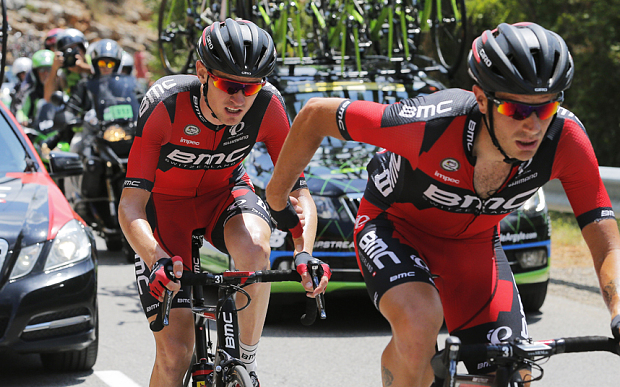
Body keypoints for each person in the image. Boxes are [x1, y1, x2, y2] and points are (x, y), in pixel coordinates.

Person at [265, 21, 620, 387]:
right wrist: (277, 198)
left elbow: (604, 238)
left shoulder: (566, 140)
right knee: (420, 324)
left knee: (513, 370)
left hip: (473, 247)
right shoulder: (431, 124)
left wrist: (617, 311)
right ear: (482, 99)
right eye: (515, 111)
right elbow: (315, 115)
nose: (531, 127)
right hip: (393, 227)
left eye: (544, 110)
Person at [118, 18, 330, 387]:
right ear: (202, 71)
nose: (239, 99)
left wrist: (304, 252)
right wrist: (157, 259)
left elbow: (299, 192)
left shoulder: (268, 106)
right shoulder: (165, 104)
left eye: (250, 88)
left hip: (224, 196)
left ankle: (244, 364)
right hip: (164, 210)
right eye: (228, 85)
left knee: (255, 251)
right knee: (175, 356)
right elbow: (130, 204)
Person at [45, 28, 91, 103]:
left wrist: (83, 68)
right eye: (67, 50)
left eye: (75, 49)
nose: (72, 54)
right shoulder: (62, 71)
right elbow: (47, 97)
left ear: (83, 48)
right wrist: (54, 69)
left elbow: (107, 76)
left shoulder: (91, 61)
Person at [14, 50, 54, 127]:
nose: (45, 73)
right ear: (35, 72)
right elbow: (22, 111)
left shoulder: (60, 88)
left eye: (49, 69)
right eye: (42, 69)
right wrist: (23, 120)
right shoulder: (30, 92)